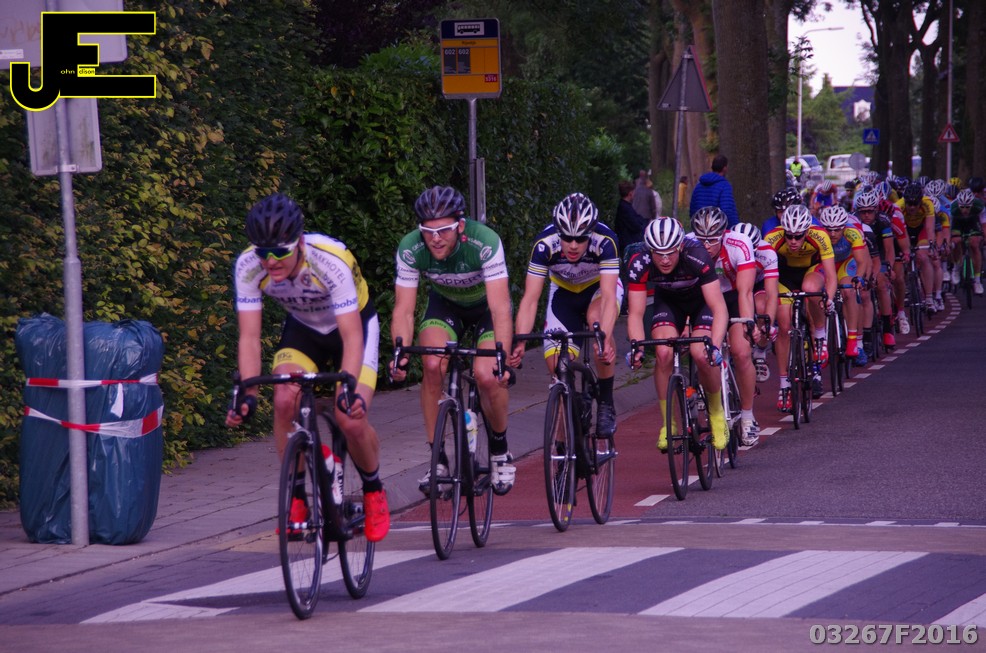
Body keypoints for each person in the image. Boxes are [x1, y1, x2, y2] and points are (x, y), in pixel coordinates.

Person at [226, 193, 389, 543]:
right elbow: (249, 337)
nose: (270, 262)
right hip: (304, 329)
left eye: (280, 252)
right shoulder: (248, 266)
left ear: (299, 243)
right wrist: (249, 394)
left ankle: (374, 490)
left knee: (350, 418)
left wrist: (347, 389)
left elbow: (351, 336)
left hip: (354, 328)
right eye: (263, 252)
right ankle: (298, 499)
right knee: (284, 399)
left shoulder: (331, 261)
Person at [389, 186, 516, 495]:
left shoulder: (484, 242)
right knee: (432, 365)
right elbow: (404, 310)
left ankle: (500, 450)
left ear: (460, 225)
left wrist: (502, 358)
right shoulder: (410, 247)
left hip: (486, 310)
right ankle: (438, 460)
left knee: (488, 376)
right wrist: (399, 353)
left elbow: (500, 308)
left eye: (443, 230)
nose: (435, 239)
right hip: (445, 307)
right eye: (428, 232)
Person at [510, 193, 622, 437]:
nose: (572, 245)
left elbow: (608, 296)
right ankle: (573, 410)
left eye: (580, 239)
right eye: (566, 237)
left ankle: (606, 402)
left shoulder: (606, 241)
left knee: (597, 325)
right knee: (558, 367)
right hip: (564, 293)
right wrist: (520, 341)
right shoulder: (544, 244)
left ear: (590, 233)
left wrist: (604, 337)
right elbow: (530, 299)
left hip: (597, 291)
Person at [625, 217, 729, 451]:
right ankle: (668, 424)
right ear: (649, 250)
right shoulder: (639, 262)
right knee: (663, 352)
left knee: (701, 354)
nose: (664, 260)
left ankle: (716, 413)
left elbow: (719, 308)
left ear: (680, 246)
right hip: (669, 303)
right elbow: (635, 313)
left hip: (701, 303)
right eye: (658, 253)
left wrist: (715, 345)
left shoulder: (697, 255)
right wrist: (636, 346)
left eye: (670, 253)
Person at [689, 208, 761, 446]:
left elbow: (745, 292)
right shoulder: (687, 245)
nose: (706, 245)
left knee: (741, 352)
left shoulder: (738, 244)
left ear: (723, 234)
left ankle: (748, 416)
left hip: (733, 296)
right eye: (701, 239)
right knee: (701, 350)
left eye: (712, 240)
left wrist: (748, 322)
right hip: (704, 300)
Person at [765, 203, 838, 411]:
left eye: (798, 236)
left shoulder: (820, 235)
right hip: (784, 277)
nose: (793, 241)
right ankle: (784, 387)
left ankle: (820, 335)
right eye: (789, 236)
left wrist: (829, 299)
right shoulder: (772, 238)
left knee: (811, 289)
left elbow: (831, 275)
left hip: (811, 270)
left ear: (807, 231)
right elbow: (766, 276)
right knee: (784, 326)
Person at [949, 188, 984, 296]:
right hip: (957, 223)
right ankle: (956, 268)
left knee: (974, 244)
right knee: (956, 241)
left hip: (973, 222)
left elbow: (983, 223)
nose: (964, 210)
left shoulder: (979, 206)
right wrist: (951, 238)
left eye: (967, 207)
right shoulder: (953, 208)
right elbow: (949, 227)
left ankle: (977, 280)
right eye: (962, 207)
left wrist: (983, 236)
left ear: (972, 205)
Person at [690, 154, 740, 227]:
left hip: (700, 228)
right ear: (724, 168)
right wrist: (734, 227)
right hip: (717, 229)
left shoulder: (699, 186)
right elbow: (727, 210)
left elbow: (692, 209)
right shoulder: (725, 186)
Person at [615, 179, 649, 256]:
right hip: (628, 246)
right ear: (630, 193)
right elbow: (636, 225)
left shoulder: (625, 206)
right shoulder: (625, 208)